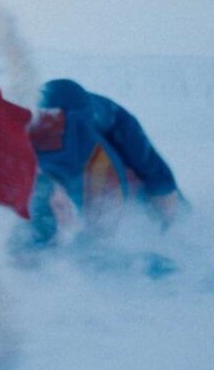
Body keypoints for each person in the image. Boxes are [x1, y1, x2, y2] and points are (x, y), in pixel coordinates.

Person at [12, 79, 187, 277]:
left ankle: (184, 246)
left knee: (161, 199)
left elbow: (98, 244)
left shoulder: (100, 170)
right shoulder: (14, 167)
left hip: (107, 124)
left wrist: (162, 188)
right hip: (50, 144)